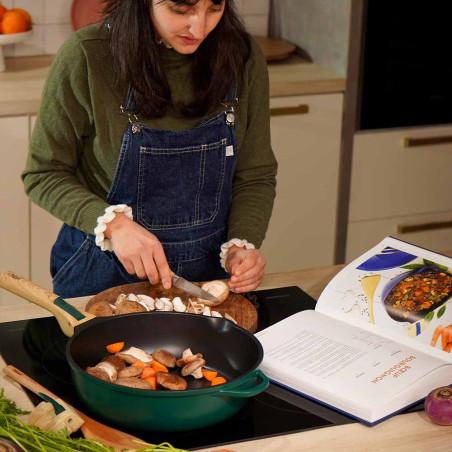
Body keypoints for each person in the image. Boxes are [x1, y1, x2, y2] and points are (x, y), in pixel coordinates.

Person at [22, 0, 277, 299]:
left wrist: (240, 245)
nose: (199, 27)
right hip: (101, 276)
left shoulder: (243, 56)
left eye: (215, 8)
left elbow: (255, 174)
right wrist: (114, 225)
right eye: (181, 9)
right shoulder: (86, 55)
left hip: (207, 281)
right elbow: (43, 174)